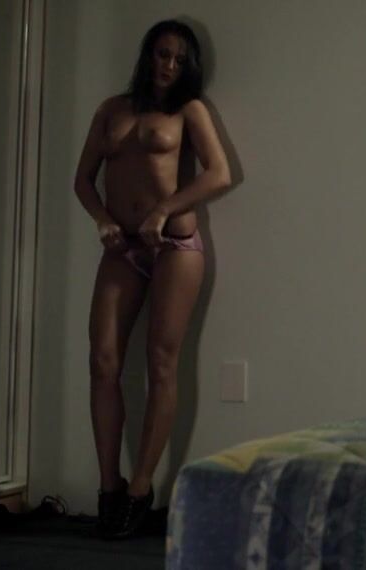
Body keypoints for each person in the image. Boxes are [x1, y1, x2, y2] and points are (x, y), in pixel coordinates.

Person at [73, 20, 231, 539]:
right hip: (122, 248)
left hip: (174, 248)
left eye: (179, 60)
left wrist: (165, 209)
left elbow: (219, 173)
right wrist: (102, 219)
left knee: (161, 362)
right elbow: (83, 179)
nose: (169, 65)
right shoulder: (110, 110)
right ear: (148, 55)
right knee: (102, 361)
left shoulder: (190, 110)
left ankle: (140, 489)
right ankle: (109, 486)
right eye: (163, 54)